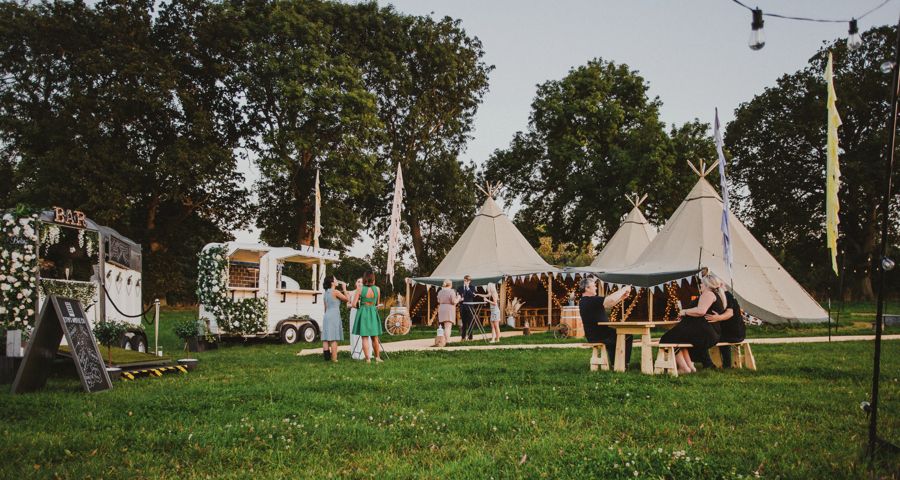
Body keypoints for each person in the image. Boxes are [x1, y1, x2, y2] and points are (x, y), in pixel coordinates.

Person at [660, 275, 725, 373]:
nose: (700, 285)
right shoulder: (716, 295)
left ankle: (684, 368)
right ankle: (690, 367)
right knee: (680, 342)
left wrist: (684, 312)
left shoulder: (708, 294)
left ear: (707, 284)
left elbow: (701, 311)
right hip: (710, 331)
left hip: (704, 332)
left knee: (666, 340)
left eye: (702, 283)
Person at [578, 277, 632, 366]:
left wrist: (622, 297)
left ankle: (617, 363)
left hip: (596, 334)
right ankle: (623, 364)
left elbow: (608, 305)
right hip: (600, 335)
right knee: (626, 335)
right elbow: (609, 300)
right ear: (587, 288)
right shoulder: (590, 300)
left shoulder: (585, 301)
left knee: (619, 335)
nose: (596, 287)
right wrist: (624, 289)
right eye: (594, 286)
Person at [704, 280, 745, 368]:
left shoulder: (727, 296)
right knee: (713, 337)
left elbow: (730, 313)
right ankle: (725, 364)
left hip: (735, 333)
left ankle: (711, 364)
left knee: (708, 339)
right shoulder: (721, 296)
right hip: (729, 331)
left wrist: (717, 318)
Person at [351, 271, 383, 363]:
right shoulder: (377, 289)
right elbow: (377, 303)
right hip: (373, 311)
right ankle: (377, 358)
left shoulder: (360, 289)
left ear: (364, 279)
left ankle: (368, 359)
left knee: (364, 337)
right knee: (375, 337)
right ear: (373, 279)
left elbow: (353, 304)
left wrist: (359, 306)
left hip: (363, 312)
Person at [321, 275, 349, 362]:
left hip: (327, 315)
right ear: (332, 282)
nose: (337, 281)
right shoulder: (335, 292)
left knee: (326, 338)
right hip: (334, 315)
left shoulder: (325, 293)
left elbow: (325, 308)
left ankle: (327, 358)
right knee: (333, 338)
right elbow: (347, 299)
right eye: (336, 279)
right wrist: (344, 288)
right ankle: (334, 358)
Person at [436, 279, 459, 344]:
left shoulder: (440, 291)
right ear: (451, 285)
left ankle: (444, 340)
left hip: (441, 308)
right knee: (448, 326)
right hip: (449, 309)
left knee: (445, 326)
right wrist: (458, 298)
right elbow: (454, 301)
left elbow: (438, 300)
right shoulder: (451, 291)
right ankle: (448, 340)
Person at [348, 278, 365, 360]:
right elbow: (347, 304)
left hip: (363, 313)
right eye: (358, 281)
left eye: (361, 282)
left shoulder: (365, 292)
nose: (360, 283)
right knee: (354, 332)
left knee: (363, 332)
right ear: (355, 283)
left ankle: (364, 352)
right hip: (354, 313)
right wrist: (352, 305)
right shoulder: (351, 292)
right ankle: (355, 352)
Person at [456, 275, 478, 340]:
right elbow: (457, 296)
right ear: (464, 280)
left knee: (470, 322)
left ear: (470, 281)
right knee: (464, 322)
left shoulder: (472, 287)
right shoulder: (460, 288)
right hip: (462, 306)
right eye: (466, 280)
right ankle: (463, 337)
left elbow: (472, 295)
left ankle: (470, 337)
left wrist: (468, 288)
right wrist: (459, 299)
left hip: (470, 306)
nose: (467, 281)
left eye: (468, 280)